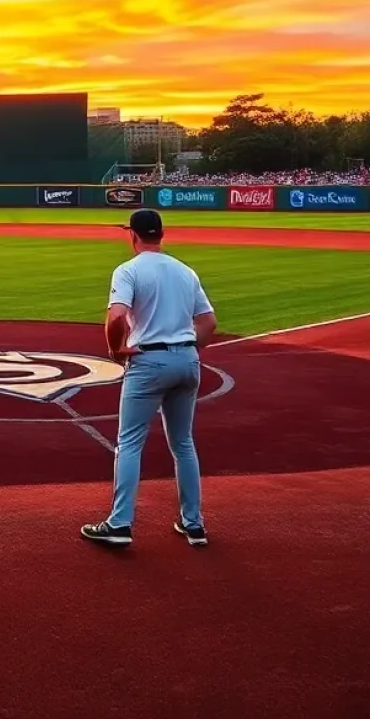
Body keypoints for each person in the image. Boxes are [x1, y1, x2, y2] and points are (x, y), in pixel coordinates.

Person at [81, 209, 217, 548]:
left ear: (133, 235)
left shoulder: (129, 270)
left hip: (148, 362)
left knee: (129, 442)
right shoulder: (185, 271)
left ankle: (120, 524)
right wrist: (185, 348)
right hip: (188, 360)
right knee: (183, 444)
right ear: (161, 234)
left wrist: (116, 351)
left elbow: (115, 318)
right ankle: (194, 524)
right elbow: (209, 322)